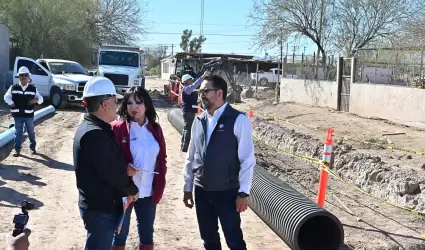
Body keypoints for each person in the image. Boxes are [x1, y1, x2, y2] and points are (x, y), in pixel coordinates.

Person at [182, 75, 256, 250]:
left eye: (205, 91)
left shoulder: (238, 120)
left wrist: (243, 193)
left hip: (227, 193)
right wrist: (188, 186)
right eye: (201, 92)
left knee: (234, 240)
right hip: (201, 190)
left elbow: (247, 159)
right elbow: (192, 156)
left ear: (219, 93)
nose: (201, 95)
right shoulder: (199, 120)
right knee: (208, 239)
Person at [73, 76, 139, 250]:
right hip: (100, 209)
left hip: (100, 206)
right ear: (104, 104)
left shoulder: (97, 128)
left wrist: (124, 168)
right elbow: (111, 172)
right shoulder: (94, 134)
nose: (117, 104)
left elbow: (104, 164)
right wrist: (131, 189)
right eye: (115, 100)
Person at [110, 86, 167, 250]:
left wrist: (160, 184)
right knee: (119, 234)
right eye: (129, 103)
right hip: (125, 192)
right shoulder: (118, 128)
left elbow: (162, 159)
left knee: (147, 236)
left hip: (148, 192)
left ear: (147, 105)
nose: (133, 107)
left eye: (139, 102)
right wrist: (124, 167)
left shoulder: (155, 129)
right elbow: (109, 159)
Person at [4, 66, 43, 157]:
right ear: (19, 77)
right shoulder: (13, 87)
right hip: (17, 115)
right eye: (22, 75)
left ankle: (32, 148)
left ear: (28, 77)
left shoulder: (33, 89)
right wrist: (11, 103)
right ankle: (17, 150)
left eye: (25, 75)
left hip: (29, 115)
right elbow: (6, 97)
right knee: (18, 132)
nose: (24, 77)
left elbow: (41, 99)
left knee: (30, 132)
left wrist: (36, 100)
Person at [180, 70, 209, 152]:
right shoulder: (187, 89)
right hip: (188, 112)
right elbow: (195, 85)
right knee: (188, 129)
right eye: (190, 80)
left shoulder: (189, 90)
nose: (192, 81)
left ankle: (184, 145)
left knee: (187, 128)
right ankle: (185, 146)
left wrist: (198, 102)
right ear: (186, 81)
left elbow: (192, 100)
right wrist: (203, 76)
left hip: (190, 111)